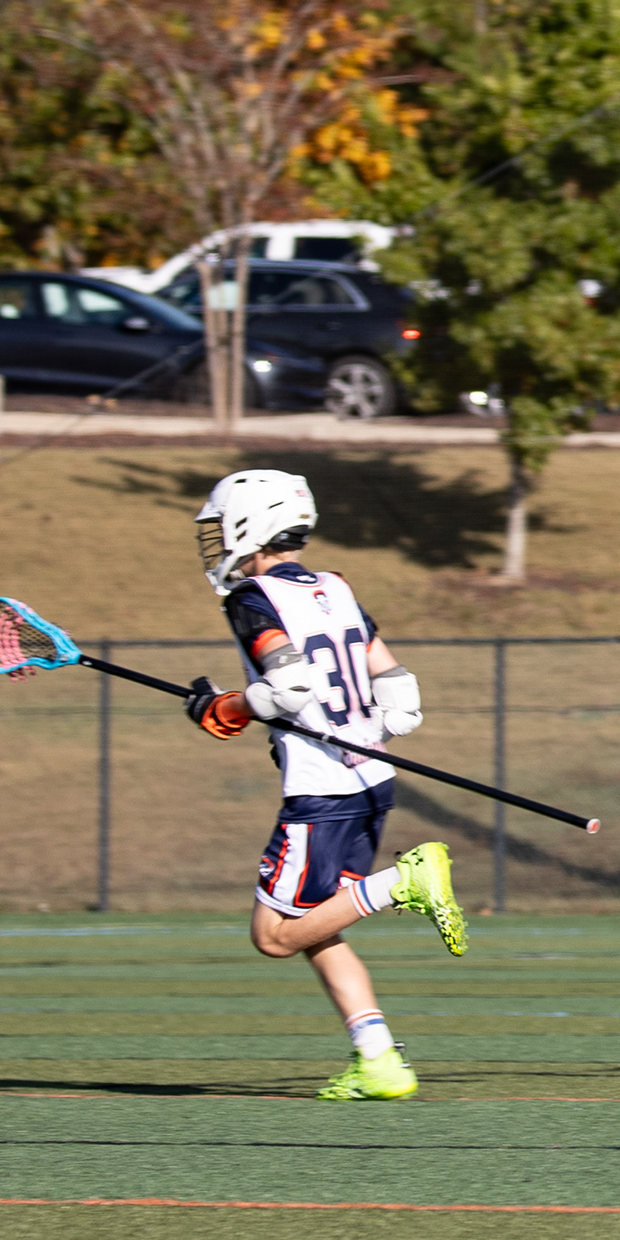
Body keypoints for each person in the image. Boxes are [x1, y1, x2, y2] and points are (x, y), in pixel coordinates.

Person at [182, 468, 465, 1100]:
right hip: (373, 780)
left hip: (322, 791)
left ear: (250, 525)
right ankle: (379, 1060)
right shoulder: (336, 588)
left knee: (274, 936)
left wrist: (225, 709)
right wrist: (363, 728)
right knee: (315, 924)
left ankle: (402, 883)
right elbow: (401, 696)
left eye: (222, 527)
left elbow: (288, 686)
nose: (216, 542)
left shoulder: (251, 598)